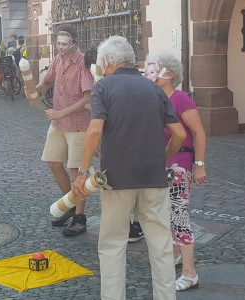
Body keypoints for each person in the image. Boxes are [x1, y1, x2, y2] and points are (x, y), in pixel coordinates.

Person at [72, 36, 186, 300]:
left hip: (116, 179)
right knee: (160, 245)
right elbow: (179, 135)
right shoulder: (155, 89)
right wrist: (163, 158)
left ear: (107, 62)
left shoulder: (104, 87)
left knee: (112, 244)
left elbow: (94, 130)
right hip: (154, 178)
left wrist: (82, 172)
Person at [147, 53, 207, 291]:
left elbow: (199, 132)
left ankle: (190, 273)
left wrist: (200, 165)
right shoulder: (156, 98)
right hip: (163, 163)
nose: (152, 72)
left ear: (169, 74)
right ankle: (175, 256)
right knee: (166, 213)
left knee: (179, 215)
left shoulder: (180, 99)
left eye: (156, 68)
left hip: (180, 163)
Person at [33, 24, 94, 236]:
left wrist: (61, 112)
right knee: (53, 162)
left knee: (77, 170)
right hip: (58, 123)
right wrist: (34, 88)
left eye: (64, 44)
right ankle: (69, 203)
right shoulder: (58, 60)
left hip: (78, 124)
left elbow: (87, 98)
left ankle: (80, 217)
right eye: (58, 44)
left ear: (74, 43)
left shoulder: (82, 63)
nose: (60, 48)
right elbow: (47, 82)